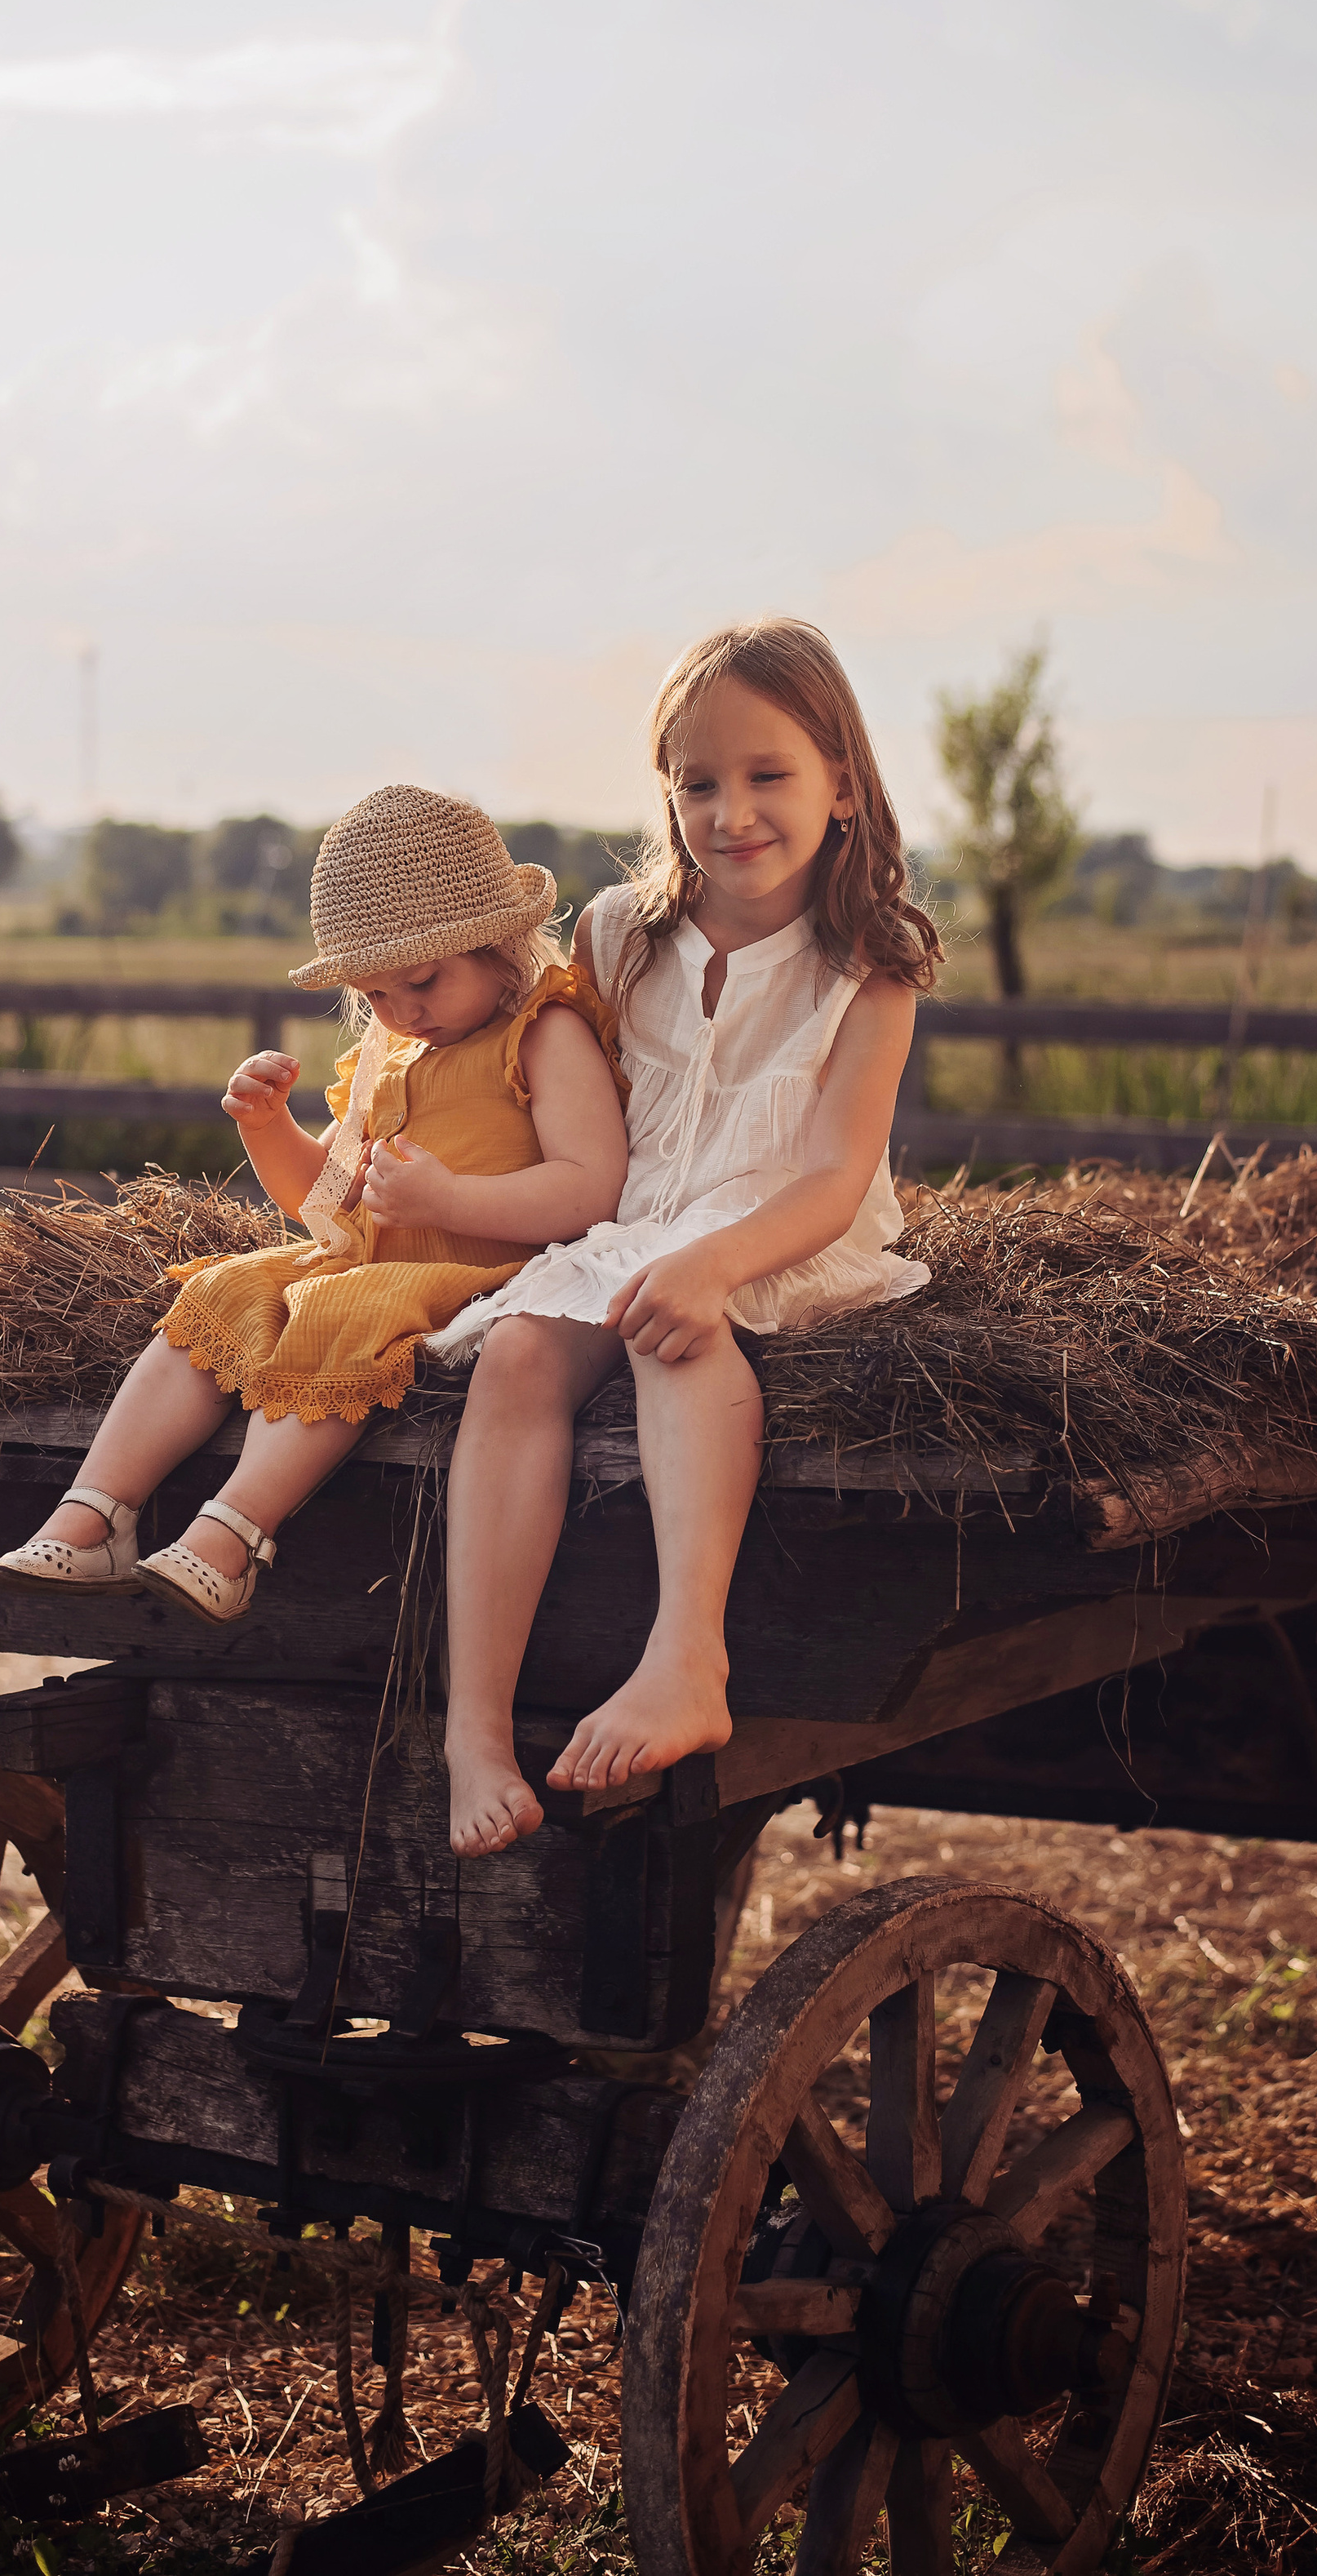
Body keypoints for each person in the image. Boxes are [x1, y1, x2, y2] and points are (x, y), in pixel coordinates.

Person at [429, 619, 944, 1856]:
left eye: (768, 775)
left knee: (675, 1328)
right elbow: (555, 1089)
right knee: (516, 1357)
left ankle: (685, 1656)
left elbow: (833, 1176)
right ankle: (474, 1727)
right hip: (637, 1214)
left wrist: (716, 1263)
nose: (733, 811)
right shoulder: (620, 933)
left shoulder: (871, 967)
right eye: (698, 781)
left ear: (842, 784)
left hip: (781, 1230)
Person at [0, 785, 627, 1622]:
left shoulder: (543, 1031)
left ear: (496, 943)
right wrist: (267, 1125)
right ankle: (96, 1512)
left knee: (342, 1302)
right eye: (376, 995)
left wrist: (450, 1197)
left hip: (485, 1274)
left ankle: (235, 1532)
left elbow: (591, 1187)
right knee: (220, 1291)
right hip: (369, 1262)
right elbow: (322, 1202)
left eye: (421, 982)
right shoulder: (387, 1052)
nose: (401, 1011)